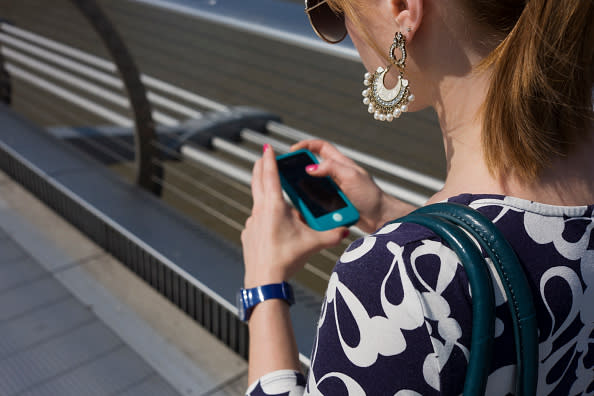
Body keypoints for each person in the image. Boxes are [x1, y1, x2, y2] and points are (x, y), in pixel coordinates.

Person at [240, 0, 594, 394]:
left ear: (403, 8)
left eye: (331, 10)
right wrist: (389, 214)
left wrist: (264, 284)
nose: (344, 31)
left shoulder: (391, 282)